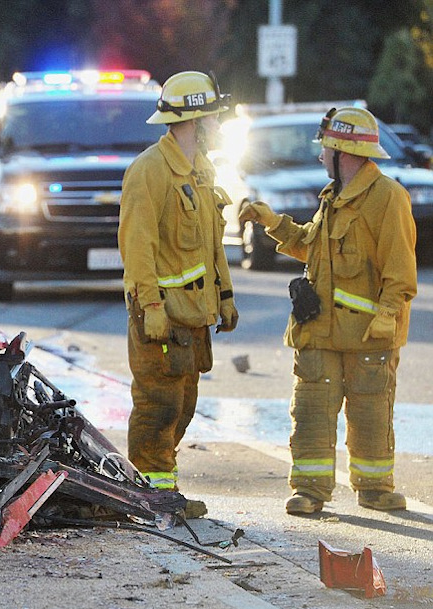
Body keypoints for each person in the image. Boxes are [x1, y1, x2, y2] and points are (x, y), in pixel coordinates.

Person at [239, 106, 417, 515]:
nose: (320, 156)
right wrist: (273, 223)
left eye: (325, 149)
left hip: (368, 335)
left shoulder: (387, 198)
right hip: (319, 330)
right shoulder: (332, 199)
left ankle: (374, 487)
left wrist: (388, 313)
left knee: (370, 412)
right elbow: (311, 247)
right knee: (312, 411)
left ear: (344, 153)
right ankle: (310, 491)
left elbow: (400, 271)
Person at [118, 71, 238, 519]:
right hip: (162, 318)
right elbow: (138, 247)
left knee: (183, 407)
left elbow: (212, 244)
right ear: (195, 121)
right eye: (214, 118)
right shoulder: (149, 171)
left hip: (192, 317)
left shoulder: (201, 172)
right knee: (157, 408)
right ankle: (150, 498)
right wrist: (150, 305)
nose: (219, 126)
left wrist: (224, 296)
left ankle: (159, 492)